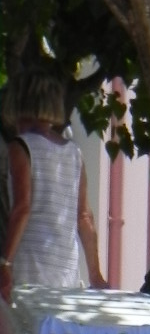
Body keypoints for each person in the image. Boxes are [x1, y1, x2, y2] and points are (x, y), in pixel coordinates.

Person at [0, 67, 107, 303]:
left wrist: (5, 263)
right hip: (66, 272)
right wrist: (96, 275)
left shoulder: (21, 146)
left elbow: (22, 208)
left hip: (30, 265)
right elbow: (84, 217)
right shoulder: (74, 153)